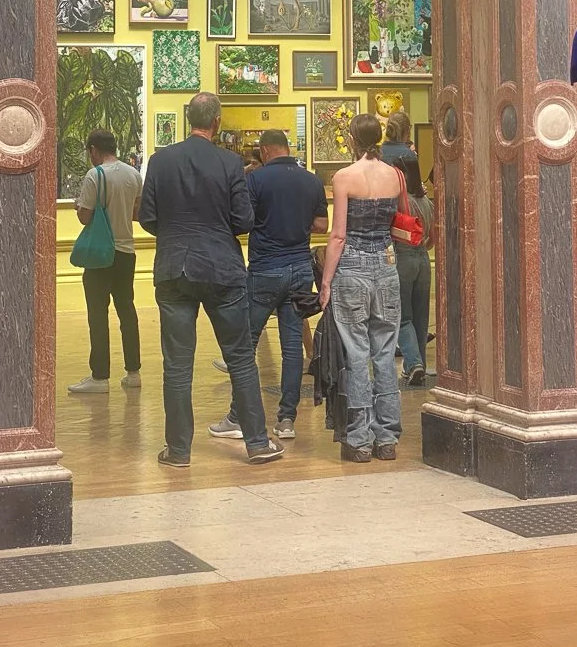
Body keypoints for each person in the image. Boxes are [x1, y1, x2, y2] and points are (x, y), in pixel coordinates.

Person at [139, 92, 284, 467]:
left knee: (177, 365)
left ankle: (178, 451)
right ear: (217, 121)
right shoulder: (230, 162)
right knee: (240, 359)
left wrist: (176, 233)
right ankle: (256, 443)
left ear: (190, 119)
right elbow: (243, 221)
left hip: (173, 268)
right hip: (222, 269)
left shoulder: (160, 161)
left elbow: (148, 218)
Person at [210, 130, 328, 442]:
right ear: (287, 148)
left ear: (264, 151)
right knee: (292, 347)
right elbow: (321, 225)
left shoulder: (256, 181)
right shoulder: (312, 180)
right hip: (301, 268)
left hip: (264, 269)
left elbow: (242, 220)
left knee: (244, 345)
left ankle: (238, 416)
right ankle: (287, 420)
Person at [319, 113, 402, 462]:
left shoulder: (344, 177)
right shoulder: (395, 175)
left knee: (355, 353)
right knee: (385, 354)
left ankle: (359, 438)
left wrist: (325, 283)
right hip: (387, 264)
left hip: (351, 266)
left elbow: (338, 235)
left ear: (352, 138)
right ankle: (387, 437)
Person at [68, 130, 143, 395]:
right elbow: (136, 212)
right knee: (127, 310)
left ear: (93, 149)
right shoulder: (133, 174)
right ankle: (133, 372)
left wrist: (79, 207)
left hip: (101, 254)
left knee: (98, 314)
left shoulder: (95, 175)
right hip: (126, 252)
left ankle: (100, 376)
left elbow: (85, 218)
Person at [379, 111, 433, 387]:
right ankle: (420, 360)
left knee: (401, 314)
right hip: (423, 258)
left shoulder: (379, 156)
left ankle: (413, 362)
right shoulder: (425, 203)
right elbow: (432, 237)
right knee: (421, 315)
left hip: (398, 255)